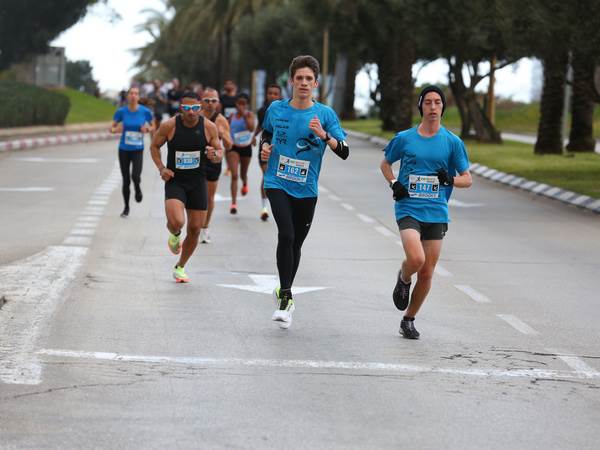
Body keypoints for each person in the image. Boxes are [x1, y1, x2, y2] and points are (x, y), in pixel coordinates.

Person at [260, 55, 349, 329]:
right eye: (299, 78)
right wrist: (264, 148)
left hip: (307, 189)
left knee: (295, 243)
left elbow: (344, 151)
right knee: (285, 234)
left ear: (316, 84)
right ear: (291, 82)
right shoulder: (276, 109)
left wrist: (324, 135)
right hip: (276, 181)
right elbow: (266, 134)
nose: (303, 83)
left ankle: (286, 289)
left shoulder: (325, 115)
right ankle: (285, 297)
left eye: (308, 79)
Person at [380, 85, 472, 339]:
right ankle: (404, 276)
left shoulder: (452, 143)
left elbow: (468, 179)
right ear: (420, 106)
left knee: (428, 272)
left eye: (438, 103)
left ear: (443, 107)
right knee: (416, 259)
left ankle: (408, 319)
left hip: (436, 212)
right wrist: (394, 183)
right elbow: (386, 163)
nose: (433, 107)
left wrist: (450, 180)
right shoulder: (405, 138)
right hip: (408, 207)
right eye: (428, 102)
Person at [150, 92, 223, 283]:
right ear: (181, 108)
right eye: (187, 108)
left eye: (195, 108)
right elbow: (154, 146)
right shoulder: (170, 126)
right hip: (175, 180)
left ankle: (180, 266)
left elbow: (219, 153)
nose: (192, 112)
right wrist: (162, 168)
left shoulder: (208, 127)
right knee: (176, 222)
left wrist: (214, 154)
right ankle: (174, 235)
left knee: (195, 228)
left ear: (199, 107)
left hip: (198, 182)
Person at [110, 86, 154, 218]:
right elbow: (111, 128)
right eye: (131, 93)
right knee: (126, 179)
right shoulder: (121, 112)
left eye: (136, 93)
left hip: (137, 149)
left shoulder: (145, 111)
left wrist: (147, 129)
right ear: (128, 96)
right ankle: (126, 207)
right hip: (123, 149)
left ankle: (138, 189)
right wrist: (115, 130)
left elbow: (153, 126)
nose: (133, 96)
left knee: (135, 176)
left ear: (139, 97)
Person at [199, 88, 233, 244]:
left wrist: (222, 133)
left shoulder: (221, 120)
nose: (210, 104)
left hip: (213, 161)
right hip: (196, 160)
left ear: (218, 102)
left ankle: (205, 227)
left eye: (213, 100)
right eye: (207, 100)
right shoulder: (196, 116)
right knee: (193, 194)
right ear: (201, 101)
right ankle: (194, 224)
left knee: (209, 197)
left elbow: (229, 145)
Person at [252, 84, 283, 221]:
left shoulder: (285, 110)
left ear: (280, 96)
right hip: (264, 148)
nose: (272, 96)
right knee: (266, 176)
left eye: (275, 94)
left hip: (281, 150)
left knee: (278, 179)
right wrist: (253, 136)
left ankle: (281, 207)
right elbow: (261, 126)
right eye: (270, 93)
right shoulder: (262, 110)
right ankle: (264, 207)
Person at [227, 93, 256, 214]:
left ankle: (245, 182)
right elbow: (226, 129)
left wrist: (244, 115)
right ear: (236, 104)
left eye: (244, 103)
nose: (241, 106)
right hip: (233, 147)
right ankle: (233, 203)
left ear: (247, 105)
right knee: (234, 175)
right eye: (239, 103)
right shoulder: (232, 116)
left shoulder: (249, 115)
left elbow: (251, 128)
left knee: (243, 174)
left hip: (246, 147)